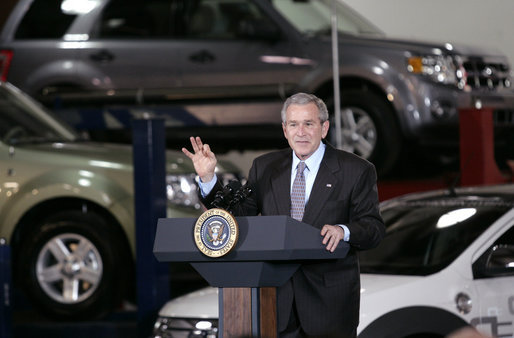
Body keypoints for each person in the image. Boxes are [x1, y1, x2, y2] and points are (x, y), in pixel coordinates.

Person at [182, 92, 385, 337]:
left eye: (308, 124)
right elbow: (234, 217)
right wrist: (207, 178)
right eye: (293, 124)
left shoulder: (356, 170)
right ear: (284, 130)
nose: (301, 132)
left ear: (324, 128)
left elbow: (373, 228)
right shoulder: (265, 167)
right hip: (275, 304)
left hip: (329, 307)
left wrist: (344, 231)